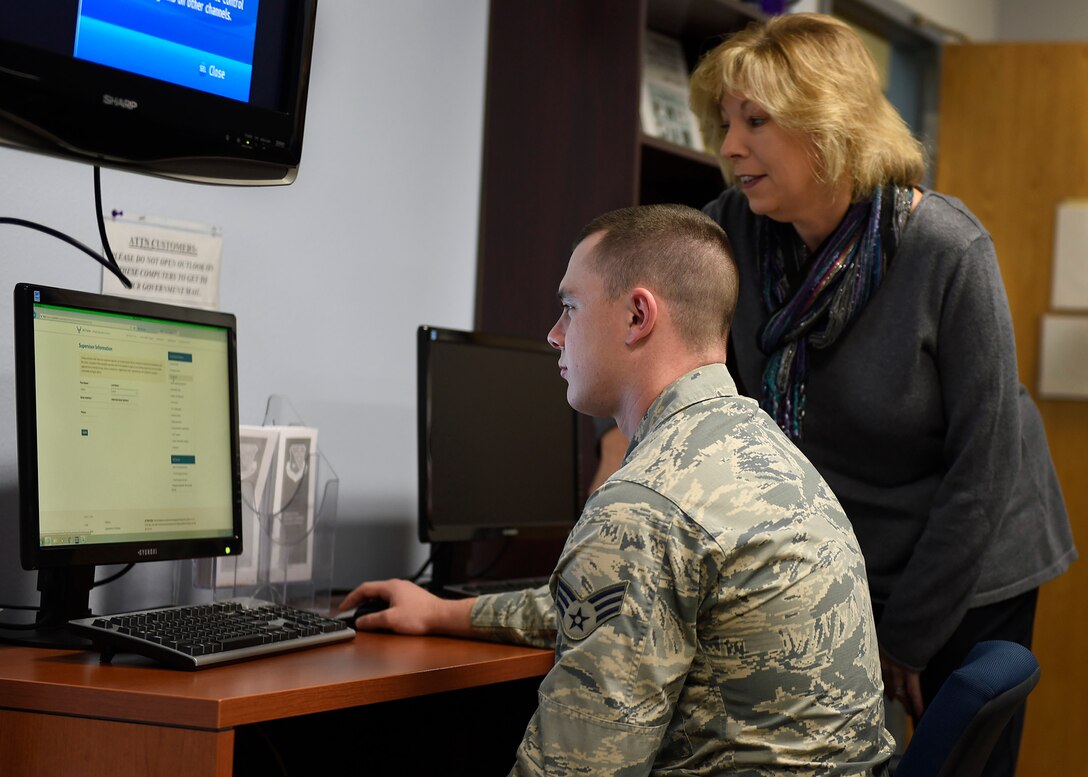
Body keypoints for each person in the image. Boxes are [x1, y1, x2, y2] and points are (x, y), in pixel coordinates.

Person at [570, 13, 1072, 777]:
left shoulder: (945, 248)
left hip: (971, 558)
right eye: (726, 120)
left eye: (757, 121)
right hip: (847, 555)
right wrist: (616, 465)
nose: (730, 145)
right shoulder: (729, 232)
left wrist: (906, 637)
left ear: (829, 123)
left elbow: (985, 469)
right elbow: (657, 365)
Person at [343, 203, 894, 775]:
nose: (554, 335)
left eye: (569, 307)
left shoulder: (644, 506)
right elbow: (608, 608)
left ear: (637, 316)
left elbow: (575, 769)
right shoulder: (768, 455)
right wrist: (442, 615)